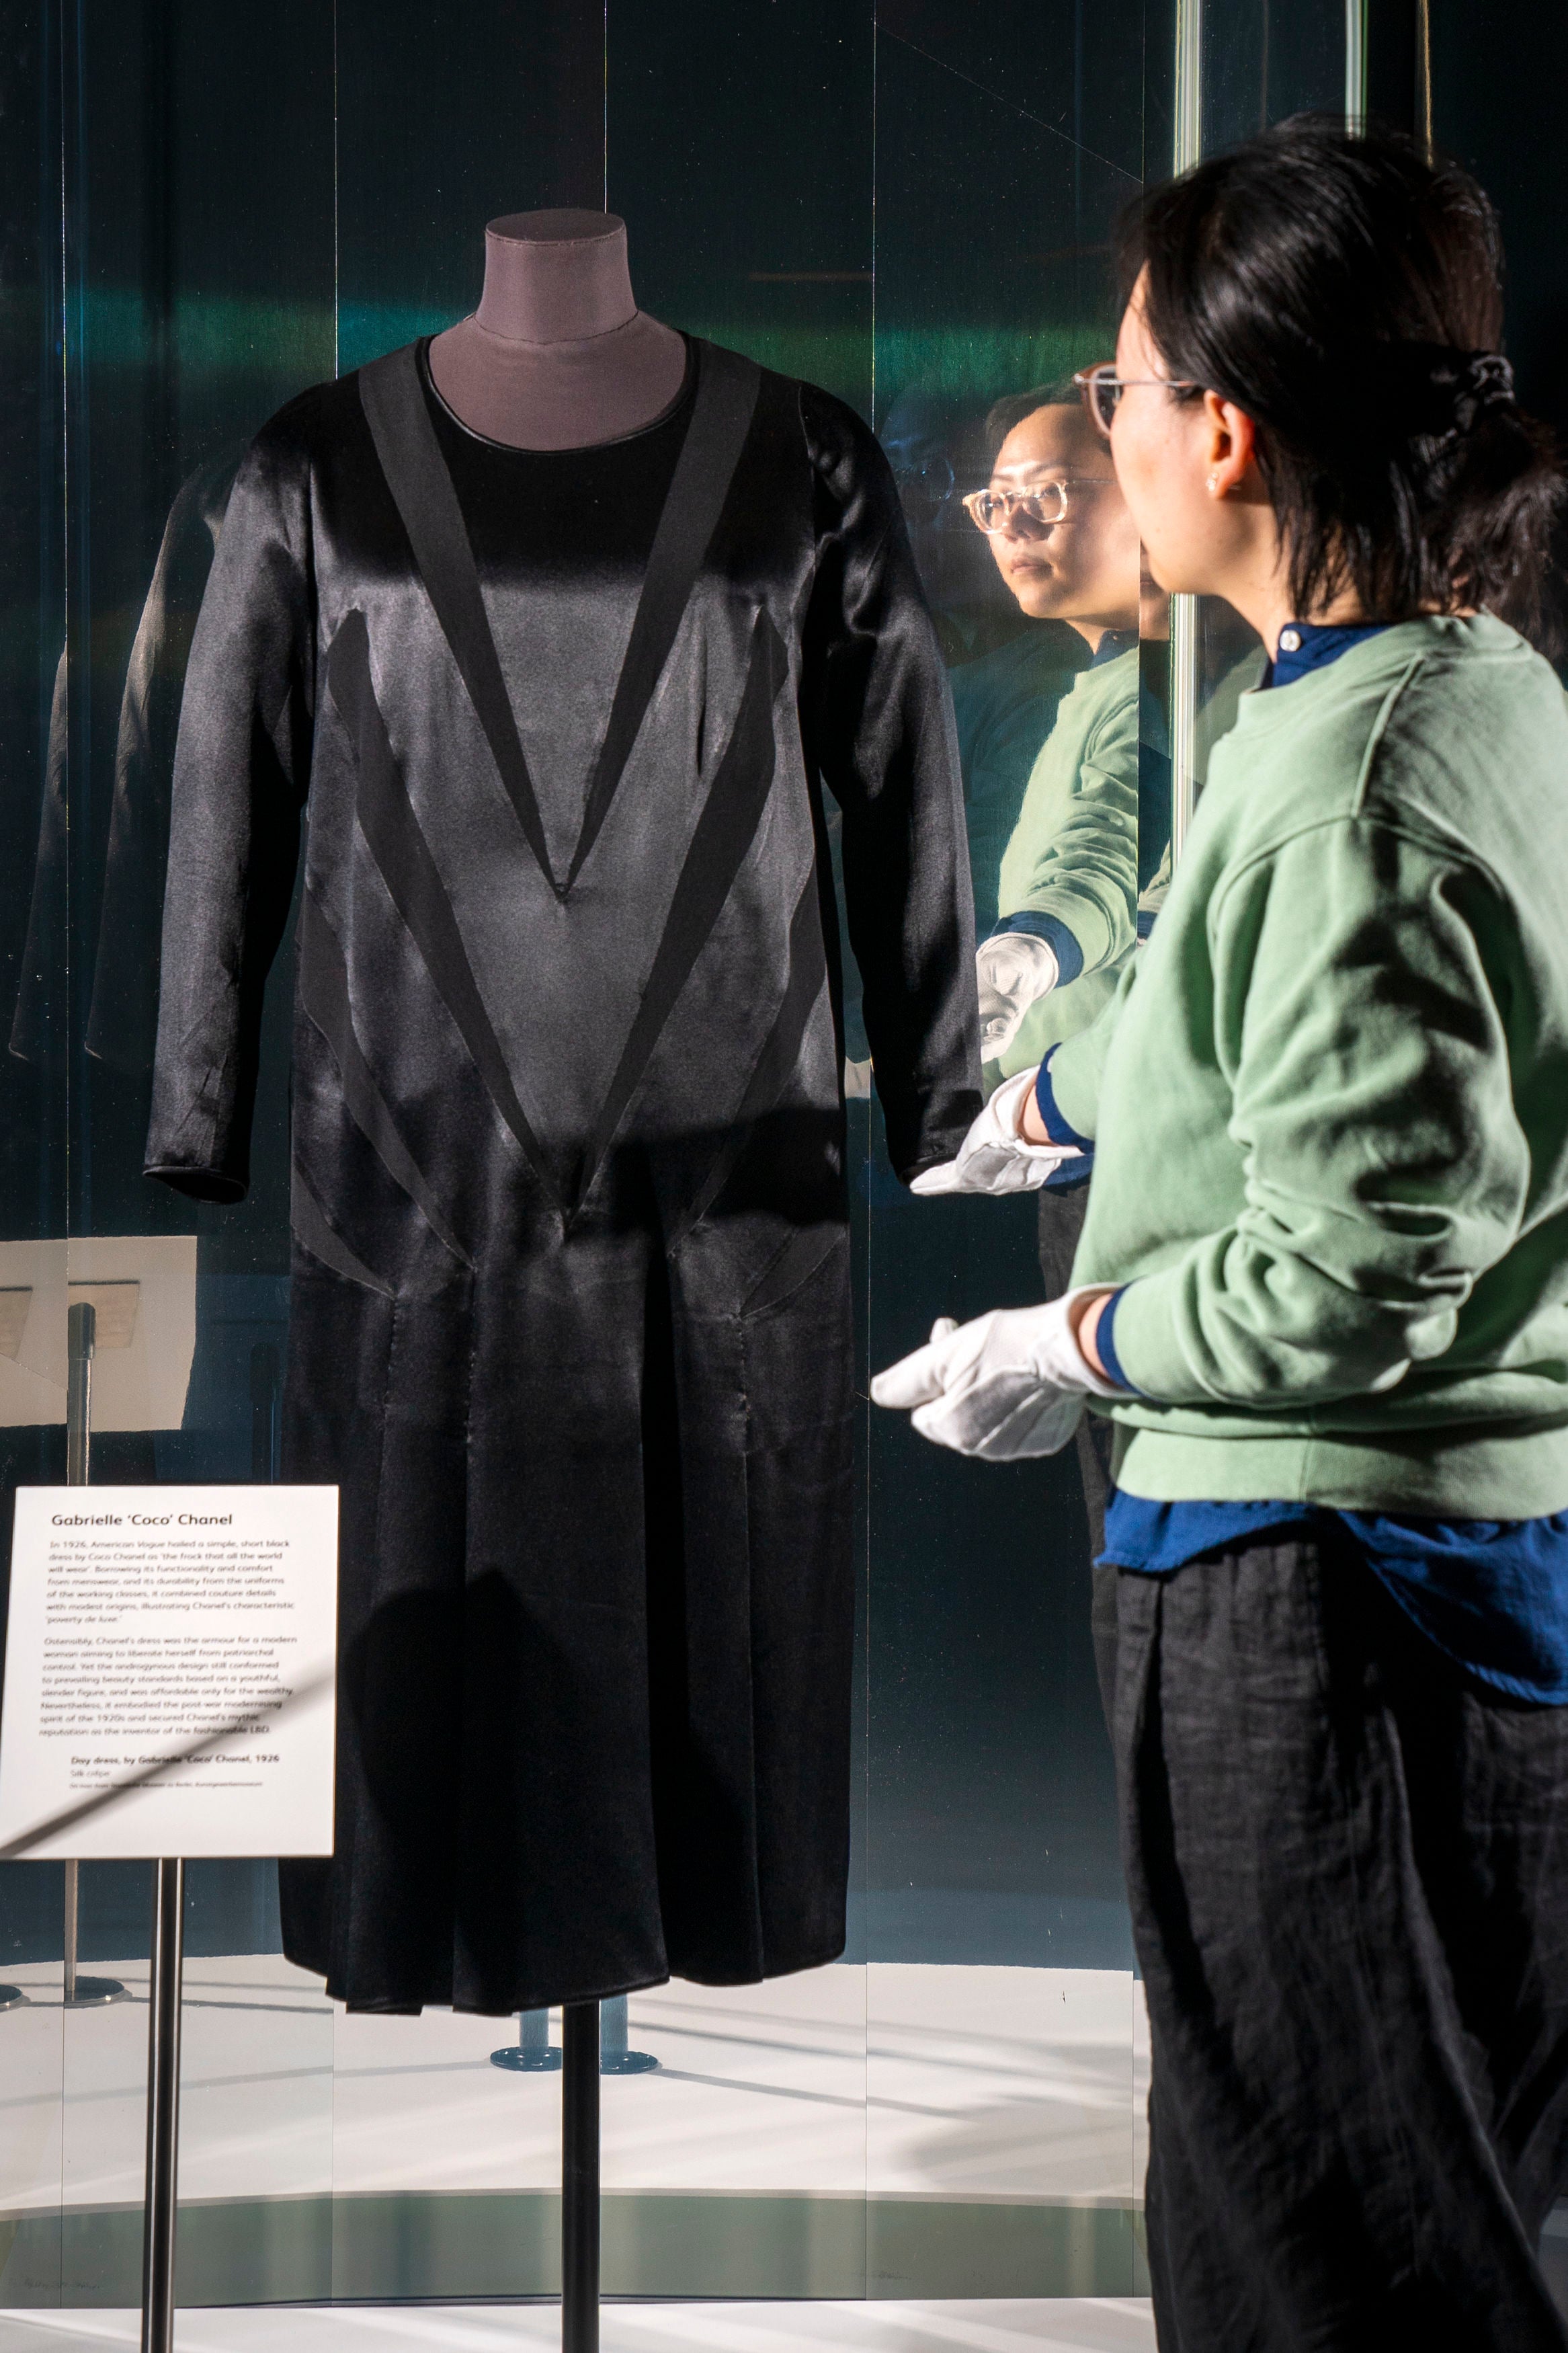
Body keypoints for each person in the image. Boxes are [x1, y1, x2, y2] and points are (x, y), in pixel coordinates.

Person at [874, 118, 1568, 2346]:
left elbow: (1355, 1266)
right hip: (1374, 1582)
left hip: (1330, 1601)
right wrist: (1054, 1106)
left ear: (1228, 427)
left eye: (1117, 393)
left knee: (1328, 2252)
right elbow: (1236, 1005)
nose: (1102, 436)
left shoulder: (1361, 778)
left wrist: (1064, 1343)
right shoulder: (1432, 692)